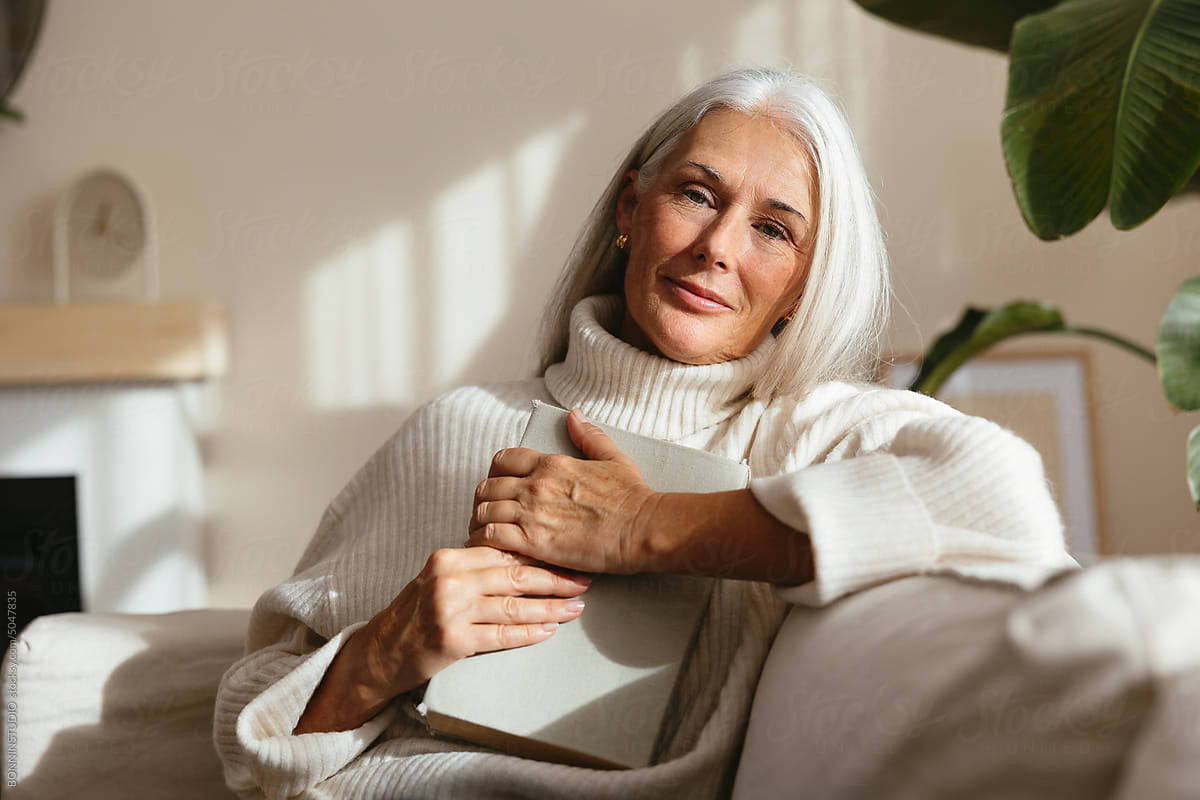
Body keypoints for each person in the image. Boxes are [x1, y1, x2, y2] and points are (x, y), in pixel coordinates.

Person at [214, 68, 1072, 799]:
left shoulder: (807, 437)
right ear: (633, 207)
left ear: (806, 286)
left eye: (773, 229)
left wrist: (645, 526)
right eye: (697, 195)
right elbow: (245, 738)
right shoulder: (457, 427)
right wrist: (387, 650)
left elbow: (1003, 500)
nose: (717, 248)